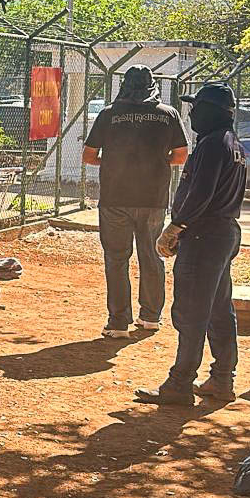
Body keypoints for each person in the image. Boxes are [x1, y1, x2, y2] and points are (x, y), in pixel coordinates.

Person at [135, 82, 246, 406]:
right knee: (218, 309)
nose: (192, 112)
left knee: (191, 313)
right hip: (222, 233)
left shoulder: (213, 145)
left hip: (203, 236)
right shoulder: (232, 143)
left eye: (197, 107)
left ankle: (180, 384)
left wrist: (176, 226)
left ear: (212, 111)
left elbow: (201, 193)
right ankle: (222, 380)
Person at [82, 66, 188, 339]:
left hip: (115, 198)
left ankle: (118, 323)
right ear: (153, 85)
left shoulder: (109, 114)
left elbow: (89, 156)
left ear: (124, 85)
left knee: (116, 259)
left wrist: (114, 162)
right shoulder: (168, 114)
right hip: (153, 199)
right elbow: (180, 156)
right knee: (151, 256)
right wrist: (156, 162)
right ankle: (150, 318)